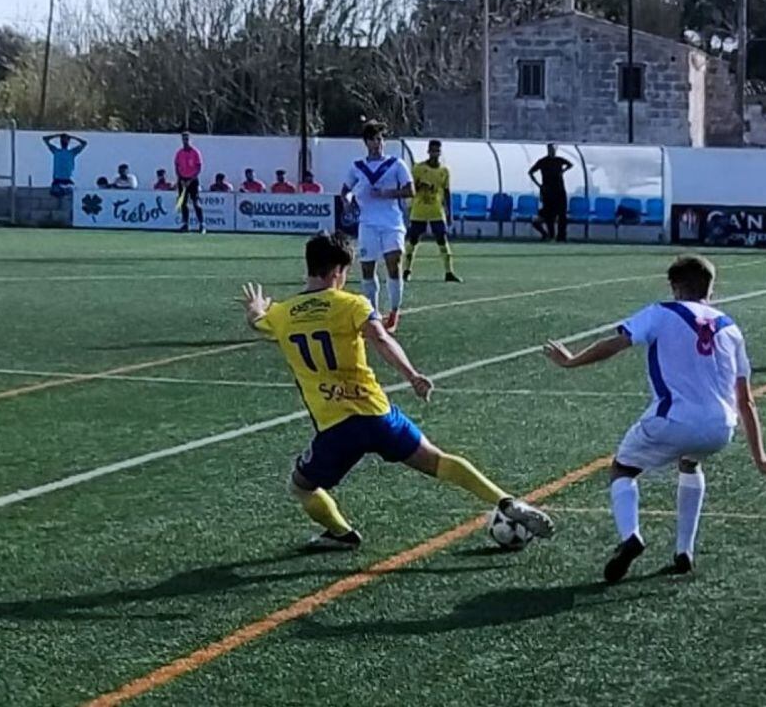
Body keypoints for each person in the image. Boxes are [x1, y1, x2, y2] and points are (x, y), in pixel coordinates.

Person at [238, 233, 555, 549]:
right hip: (377, 415)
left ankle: (340, 533)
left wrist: (256, 308)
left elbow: (258, 322)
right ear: (336, 271)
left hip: (335, 428)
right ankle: (504, 500)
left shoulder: (282, 315)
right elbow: (381, 338)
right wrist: (412, 375)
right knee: (438, 460)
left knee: (302, 487)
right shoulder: (351, 304)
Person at [543, 255, 766, 583]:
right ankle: (684, 551)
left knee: (623, 468)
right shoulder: (731, 328)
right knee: (690, 463)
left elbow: (616, 343)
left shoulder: (661, 312)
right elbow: (746, 400)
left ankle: (631, 537)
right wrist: (760, 457)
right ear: (711, 289)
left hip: (673, 420)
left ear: (675, 287)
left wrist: (572, 361)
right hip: (719, 429)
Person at [341, 120, 414, 332]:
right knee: (367, 268)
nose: (378, 143)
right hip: (367, 224)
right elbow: (345, 189)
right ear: (366, 142)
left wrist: (387, 193)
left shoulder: (396, 164)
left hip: (392, 222)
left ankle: (393, 311)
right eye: (374, 139)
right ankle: (372, 313)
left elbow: (410, 190)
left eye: (381, 139)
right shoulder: (357, 167)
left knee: (394, 264)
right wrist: (346, 201)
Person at [405, 139, 461, 283]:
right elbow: (411, 189)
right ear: (428, 151)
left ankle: (449, 272)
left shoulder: (444, 171)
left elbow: (447, 192)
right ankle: (406, 270)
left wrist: (450, 213)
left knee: (442, 240)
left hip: (436, 211)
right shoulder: (418, 168)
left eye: (437, 151)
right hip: (419, 210)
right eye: (433, 151)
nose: (435, 154)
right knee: (413, 241)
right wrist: (420, 185)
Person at [529, 143, 573, 242]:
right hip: (548, 192)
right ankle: (551, 235)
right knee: (549, 215)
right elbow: (531, 172)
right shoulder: (543, 161)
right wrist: (539, 185)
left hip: (559, 191)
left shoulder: (559, 160)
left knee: (562, 215)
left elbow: (570, 164)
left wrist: (563, 171)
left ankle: (561, 236)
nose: (552, 151)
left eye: (553, 149)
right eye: (550, 149)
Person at [174, 131, 206, 234]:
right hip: (182, 180)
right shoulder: (179, 153)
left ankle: (202, 224)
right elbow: (177, 167)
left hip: (193, 181)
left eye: (187, 139)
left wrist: (191, 180)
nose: (185, 141)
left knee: (196, 203)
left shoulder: (195, 152)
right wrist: (181, 179)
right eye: (184, 139)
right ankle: (185, 225)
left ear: (190, 140)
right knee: (183, 203)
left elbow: (198, 168)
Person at [43, 132, 87, 197]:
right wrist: (58, 135)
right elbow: (45, 139)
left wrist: (72, 137)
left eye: (66, 140)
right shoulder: (56, 151)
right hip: (57, 180)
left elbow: (84, 143)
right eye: (63, 140)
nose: (64, 142)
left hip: (67, 180)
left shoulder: (72, 152)